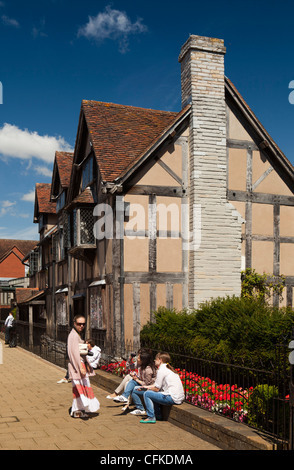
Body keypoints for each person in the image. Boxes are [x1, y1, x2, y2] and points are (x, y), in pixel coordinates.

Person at [135, 351, 184, 424]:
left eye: (156, 359)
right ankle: (158, 415)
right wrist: (145, 386)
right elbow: (156, 385)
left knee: (147, 394)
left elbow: (156, 388)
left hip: (172, 398)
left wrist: (146, 389)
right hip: (178, 398)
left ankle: (151, 417)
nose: (154, 360)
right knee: (152, 393)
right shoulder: (167, 369)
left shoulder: (161, 370)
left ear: (160, 360)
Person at [67, 315, 100, 418]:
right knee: (79, 388)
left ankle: (78, 411)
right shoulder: (73, 335)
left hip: (80, 364)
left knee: (79, 388)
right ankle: (78, 410)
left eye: (83, 324)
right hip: (78, 365)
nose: (81, 326)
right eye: (79, 324)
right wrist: (79, 367)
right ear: (74, 323)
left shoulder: (76, 334)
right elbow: (72, 353)